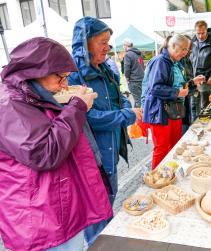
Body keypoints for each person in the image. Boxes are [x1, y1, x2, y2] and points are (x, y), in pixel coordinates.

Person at [0, 37, 112, 251]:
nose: (65, 85)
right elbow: (45, 152)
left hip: (57, 211)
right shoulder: (9, 105)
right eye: (61, 77)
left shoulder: (31, 94)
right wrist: (77, 107)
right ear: (35, 72)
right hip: (40, 222)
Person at [68, 17, 142, 245]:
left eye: (108, 42)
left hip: (110, 154)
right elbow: (86, 119)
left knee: (107, 208)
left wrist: (126, 108)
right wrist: (126, 115)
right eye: (102, 41)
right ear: (84, 43)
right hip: (92, 161)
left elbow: (121, 98)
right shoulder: (73, 76)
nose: (107, 47)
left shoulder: (105, 69)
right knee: (98, 222)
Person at [142, 34, 191, 169]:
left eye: (187, 50)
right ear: (174, 45)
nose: (185, 53)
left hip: (171, 110)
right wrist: (176, 92)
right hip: (159, 112)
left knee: (173, 146)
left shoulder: (173, 62)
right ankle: (157, 180)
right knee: (162, 148)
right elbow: (155, 88)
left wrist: (189, 84)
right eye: (184, 49)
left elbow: (174, 83)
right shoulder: (161, 61)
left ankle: (170, 175)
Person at [123, 38, 145, 108]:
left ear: (126, 45)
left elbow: (126, 68)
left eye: (123, 45)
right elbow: (142, 66)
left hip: (134, 81)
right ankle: (137, 116)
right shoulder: (139, 54)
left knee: (138, 100)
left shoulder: (128, 54)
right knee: (138, 99)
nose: (123, 47)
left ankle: (140, 117)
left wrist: (127, 78)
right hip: (141, 79)